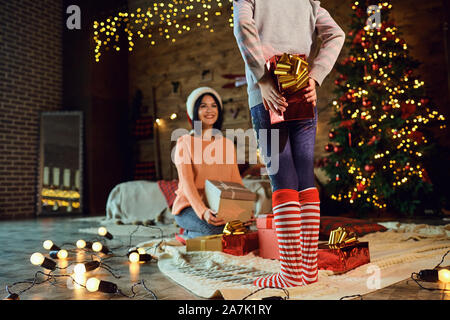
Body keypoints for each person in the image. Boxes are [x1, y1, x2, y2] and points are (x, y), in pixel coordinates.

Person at [233, 0, 345, 288]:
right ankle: (308, 271)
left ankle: (289, 273)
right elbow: (336, 34)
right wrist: (315, 76)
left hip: (268, 97)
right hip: (303, 93)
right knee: (305, 179)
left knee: (283, 179)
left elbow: (243, 26)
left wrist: (263, 79)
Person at [171, 87, 244, 239]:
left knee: (243, 228)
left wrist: (243, 209)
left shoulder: (227, 144)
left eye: (214, 105)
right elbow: (188, 185)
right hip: (189, 207)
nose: (209, 110)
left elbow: (236, 182)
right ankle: (187, 235)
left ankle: (195, 235)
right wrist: (203, 211)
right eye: (203, 106)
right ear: (194, 112)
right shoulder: (184, 142)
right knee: (215, 231)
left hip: (218, 206)